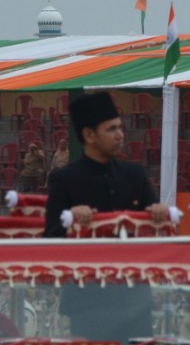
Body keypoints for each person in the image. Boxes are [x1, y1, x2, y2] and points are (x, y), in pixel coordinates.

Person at [43, 91, 168, 237]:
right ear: (89, 135)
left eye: (120, 127)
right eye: (111, 129)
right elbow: (50, 237)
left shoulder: (135, 174)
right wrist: (71, 219)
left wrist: (159, 213)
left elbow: (154, 226)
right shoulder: (64, 179)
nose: (120, 135)